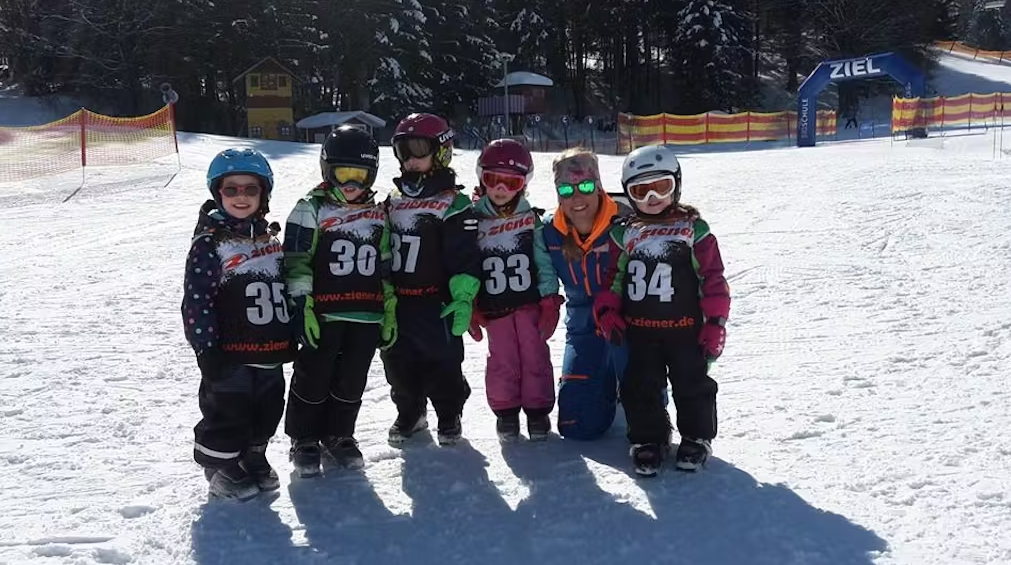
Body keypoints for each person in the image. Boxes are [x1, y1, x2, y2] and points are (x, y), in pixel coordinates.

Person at [593, 144, 730, 477]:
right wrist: (608, 311)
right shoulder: (625, 233)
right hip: (640, 329)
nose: (652, 197)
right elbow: (614, 278)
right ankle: (647, 439)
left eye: (661, 187)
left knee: (692, 383)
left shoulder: (692, 231)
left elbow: (712, 279)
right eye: (641, 191)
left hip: (685, 329)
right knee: (640, 384)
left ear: (676, 185)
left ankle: (697, 436)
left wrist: (714, 322)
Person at [282, 126, 397, 477]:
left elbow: (385, 264)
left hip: (365, 313)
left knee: (352, 378)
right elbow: (297, 259)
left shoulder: (378, 214)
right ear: (327, 171)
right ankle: (304, 437)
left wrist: (389, 308)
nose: (351, 185)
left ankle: (339, 433)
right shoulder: (311, 208)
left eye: (358, 176)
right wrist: (302, 305)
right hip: (326, 313)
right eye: (343, 175)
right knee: (314, 374)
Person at [182, 148, 294, 501]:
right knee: (228, 409)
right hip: (229, 351)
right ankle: (221, 465)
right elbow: (197, 299)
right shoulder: (210, 244)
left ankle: (253, 454)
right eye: (232, 190)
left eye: (250, 189)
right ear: (218, 193)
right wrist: (205, 348)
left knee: (268, 407)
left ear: (264, 195)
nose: (241, 196)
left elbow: (285, 290)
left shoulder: (270, 240)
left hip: (270, 348)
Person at [381, 112, 481, 446]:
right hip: (399, 301)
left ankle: (448, 412)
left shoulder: (452, 204)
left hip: (436, 301)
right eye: (402, 151)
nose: (410, 160)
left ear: (440, 152)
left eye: (418, 149)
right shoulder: (391, 203)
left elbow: (464, 255)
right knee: (398, 362)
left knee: (444, 361)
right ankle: (410, 411)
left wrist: (462, 294)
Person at [467, 138, 564, 441]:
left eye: (511, 182)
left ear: (523, 184)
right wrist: (468, 300)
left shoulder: (530, 219)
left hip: (528, 304)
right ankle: (506, 411)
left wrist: (549, 298)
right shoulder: (474, 219)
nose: (500, 189)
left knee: (534, 354)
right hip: (495, 306)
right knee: (503, 358)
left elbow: (543, 261)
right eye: (493, 180)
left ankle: (538, 410)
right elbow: (466, 263)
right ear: (481, 179)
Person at [541, 148, 630, 441]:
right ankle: (602, 382)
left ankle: (628, 386)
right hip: (582, 326)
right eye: (566, 189)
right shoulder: (550, 232)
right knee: (576, 425)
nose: (577, 198)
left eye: (586, 186)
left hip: (627, 323)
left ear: (599, 186)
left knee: (643, 412)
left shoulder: (626, 222)